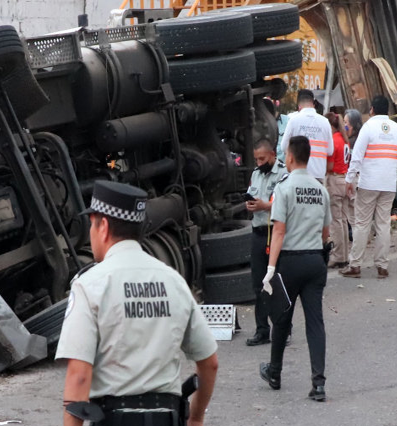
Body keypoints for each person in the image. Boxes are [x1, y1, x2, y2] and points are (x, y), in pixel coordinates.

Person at [57, 180, 218, 426]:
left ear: (104, 227)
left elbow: (79, 377)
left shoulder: (89, 285)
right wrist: (196, 417)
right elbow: (210, 363)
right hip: (168, 418)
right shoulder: (173, 280)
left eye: (92, 225)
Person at [258, 136, 330, 402]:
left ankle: (275, 372)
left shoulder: (284, 188)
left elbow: (279, 231)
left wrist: (270, 267)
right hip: (314, 261)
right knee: (315, 323)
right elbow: (325, 233)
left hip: (289, 262)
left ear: (289, 157)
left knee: (281, 319)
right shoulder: (320, 189)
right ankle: (319, 384)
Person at [340, 96, 397, 278]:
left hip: (369, 182)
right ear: (388, 110)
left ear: (372, 109)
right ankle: (382, 266)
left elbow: (357, 156)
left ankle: (355, 265)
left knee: (362, 224)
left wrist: (349, 179)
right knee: (383, 224)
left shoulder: (368, 127)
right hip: (388, 183)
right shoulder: (396, 128)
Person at [245, 139, 287, 346]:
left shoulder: (283, 173)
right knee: (258, 285)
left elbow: (284, 203)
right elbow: (253, 194)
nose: (260, 163)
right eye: (257, 159)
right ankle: (262, 330)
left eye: (262, 158)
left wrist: (265, 206)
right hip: (258, 232)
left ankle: (283, 329)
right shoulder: (255, 173)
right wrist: (251, 204)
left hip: (275, 233)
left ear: (272, 154)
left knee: (277, 284)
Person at [280, 89, 334, 182]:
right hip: (318, 175)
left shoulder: (293, 120)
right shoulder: (325, 122)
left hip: (298, 174)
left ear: (299, 106)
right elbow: (330, 151)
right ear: (313, 104)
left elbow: (283, 147)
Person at [325, 112, 350, 268]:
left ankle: (338, 256)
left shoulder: (333, 141)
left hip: (334, 180)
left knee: (336, 221)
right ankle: (345, 254)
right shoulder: (344, 139)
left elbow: (330, 166)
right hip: (345, 179)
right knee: (343, 220)